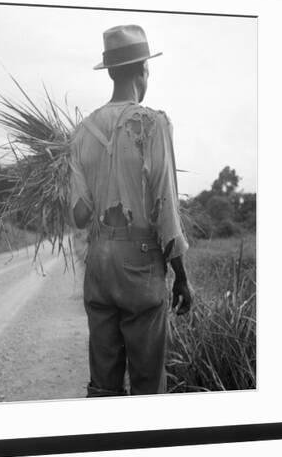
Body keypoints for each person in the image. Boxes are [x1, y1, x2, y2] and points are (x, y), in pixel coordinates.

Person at [69, 24, 193, 396]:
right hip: (139, 266)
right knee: (147, 382)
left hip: (98, 262)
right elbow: (166, 207)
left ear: (109, 71)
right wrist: (182, 276)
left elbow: (79, 215)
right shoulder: (153, 123)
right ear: (144, 70)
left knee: (103, 384)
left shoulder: (81, 132)